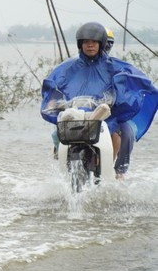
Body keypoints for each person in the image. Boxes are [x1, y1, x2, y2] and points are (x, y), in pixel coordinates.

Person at [41, 21, 158, 178]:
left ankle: (118, 171)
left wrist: (123, 98)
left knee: (126, 132)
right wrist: (54, 101)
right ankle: (62, 162)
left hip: (107, 114)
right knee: (57, 133)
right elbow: (53, 84)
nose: (90, 46)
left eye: (94, 42)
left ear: (101, 44)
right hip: (77, 114)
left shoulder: (114, 66)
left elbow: (135, 80)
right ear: (80, 44)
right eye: (86, 42)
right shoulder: (68, 67)